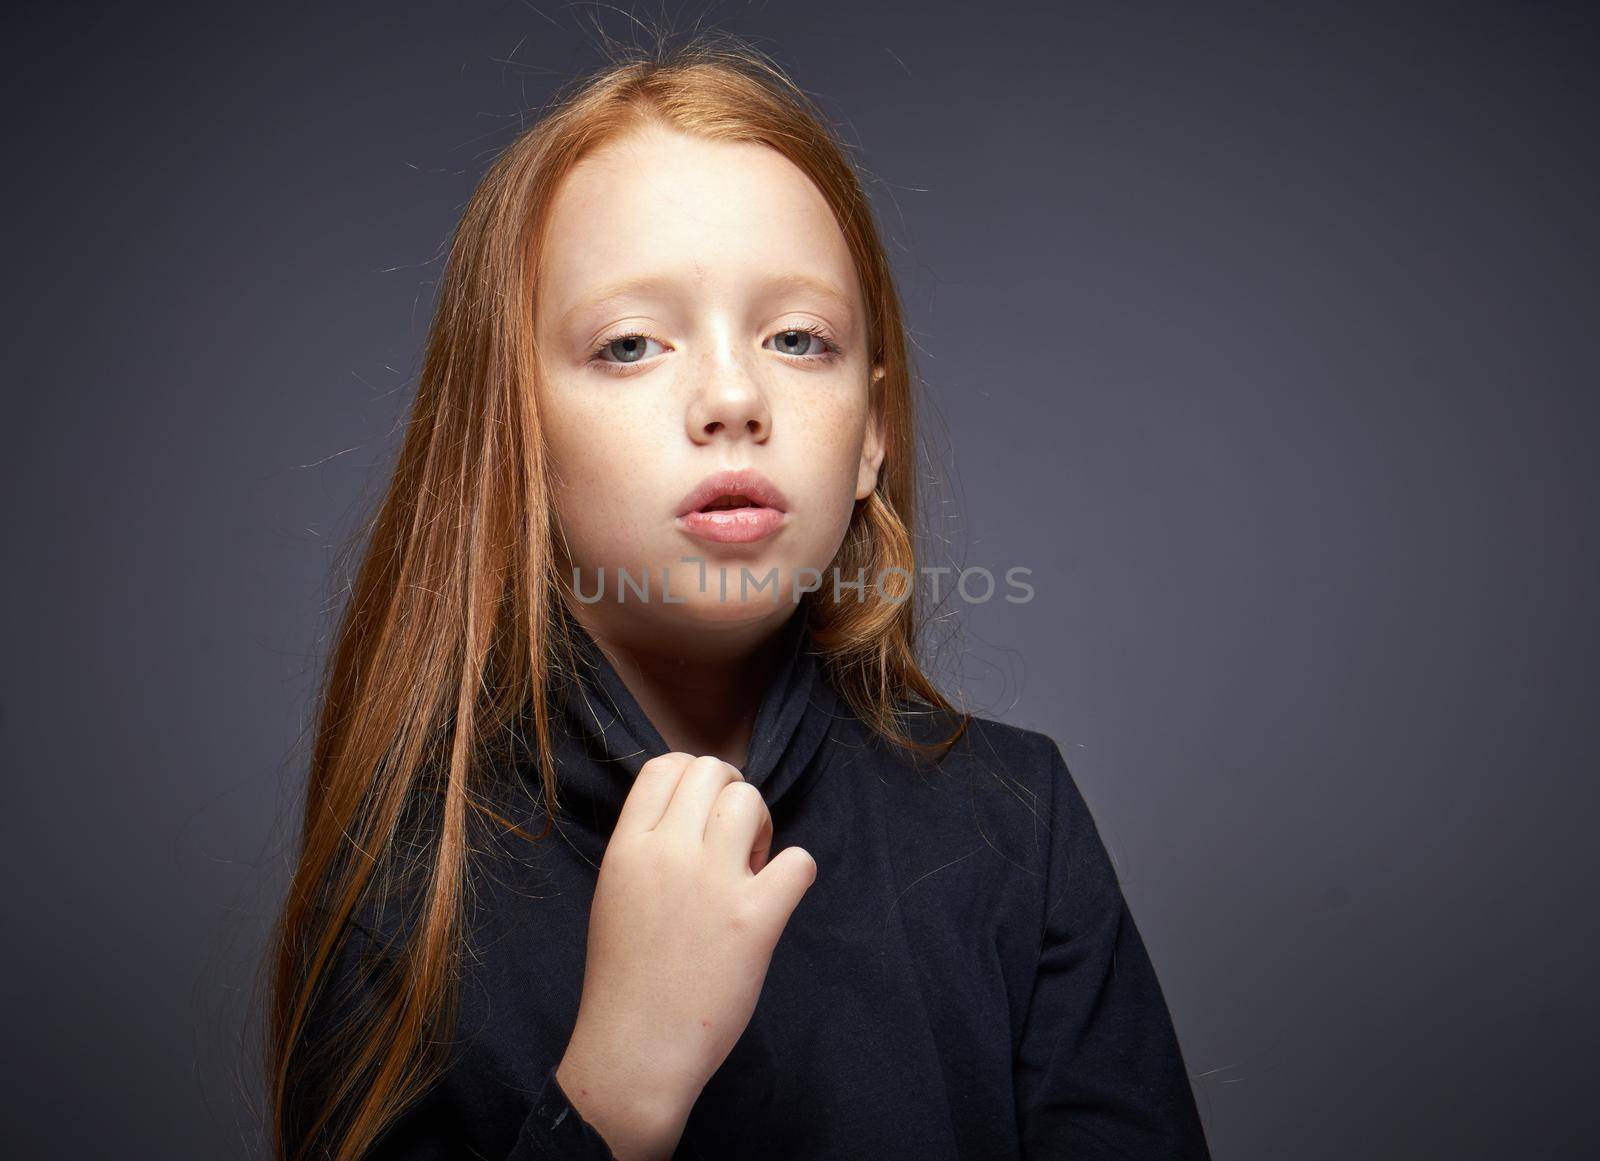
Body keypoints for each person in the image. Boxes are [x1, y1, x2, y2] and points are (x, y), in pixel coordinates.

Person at [265, 32, 1211, 1161]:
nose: (731, 395)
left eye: (797, 339)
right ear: (510, 435)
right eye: (629, 344)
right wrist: (615, 1090)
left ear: (872, 434)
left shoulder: (1017, 825)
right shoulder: (403, 895)